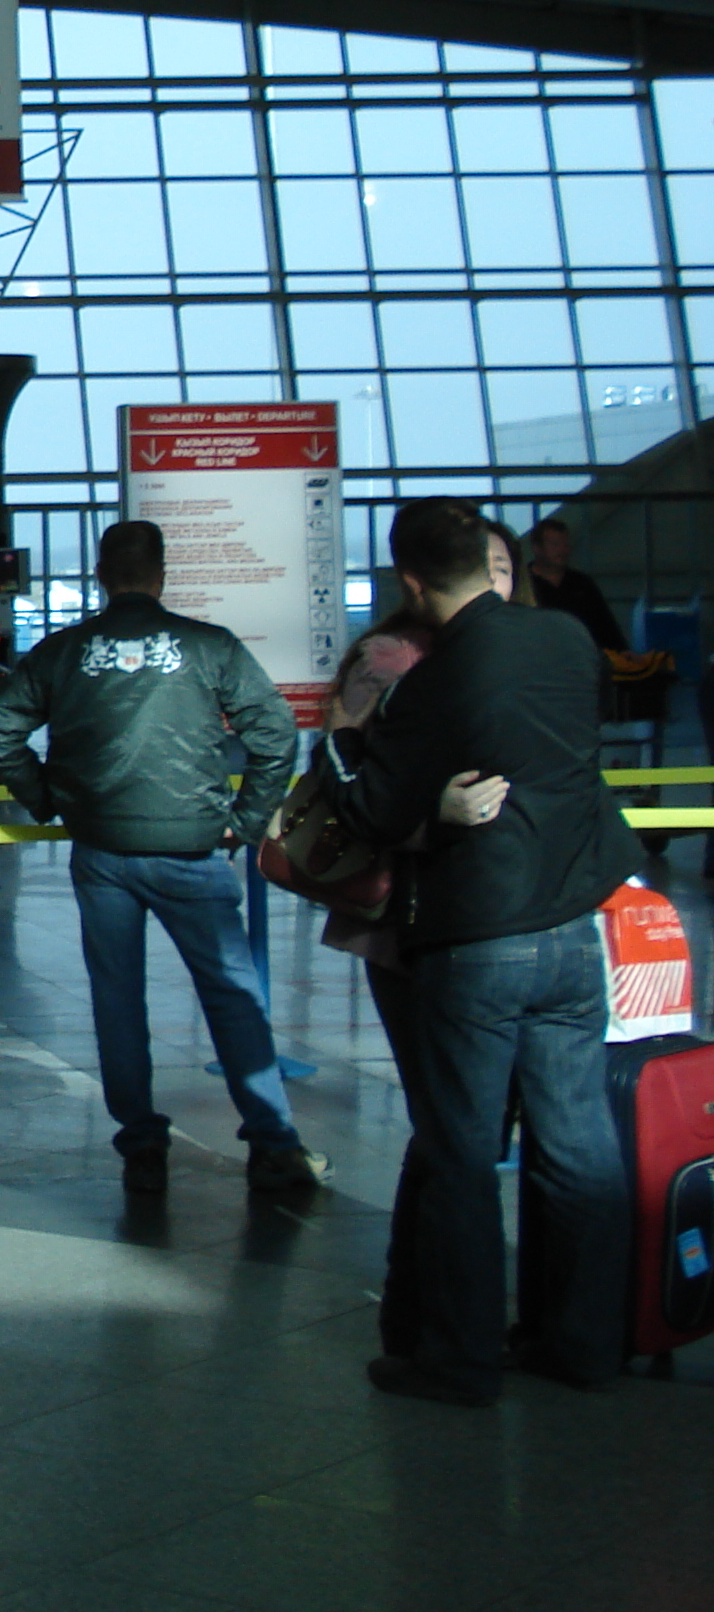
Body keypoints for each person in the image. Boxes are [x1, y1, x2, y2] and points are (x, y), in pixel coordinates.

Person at [322, 496, 638, 1406]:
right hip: (573, 931)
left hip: (479, 940)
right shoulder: (569, 644)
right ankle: (582, 1341)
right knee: (578, 1144)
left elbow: (374, 809)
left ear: (412, 581)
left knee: (461, 1151)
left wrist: (342, 751)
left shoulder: (436, 679)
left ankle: (457, 1357)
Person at [0, 520, 322, 1195]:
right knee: (231, 996)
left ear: (101, 576)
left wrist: (45, 795)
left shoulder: (64, 651)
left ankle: (141, 1144)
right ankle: (273, 1142)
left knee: (118, 999)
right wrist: (245, 822)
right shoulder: (207, 646)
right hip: (192, 850)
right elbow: (275, 731)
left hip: (101, 850)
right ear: (162, 576)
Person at [524, 517, 626, 652]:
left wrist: (621, 653)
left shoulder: (582, 584)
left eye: (565, 544)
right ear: (537, 548)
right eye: (555, 544)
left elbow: (605, 626)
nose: (562, 550)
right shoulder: (523, 585)